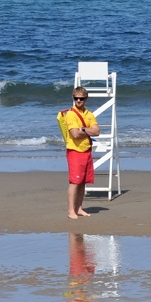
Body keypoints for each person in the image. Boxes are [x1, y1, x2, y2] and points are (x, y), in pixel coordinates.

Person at [64, 87, 100, 219]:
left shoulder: (89, 114)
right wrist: (87, 130)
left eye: (81, 98)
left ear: (86, 99)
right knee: (75, 181)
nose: (78, 101)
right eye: (76, 98)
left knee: (83, 182)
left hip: (86, 150)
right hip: (75, 151)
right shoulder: (70, 114)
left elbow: (96, 131)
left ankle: (79, 208)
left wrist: (83, 129)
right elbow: (75, 134)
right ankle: (70, 211)